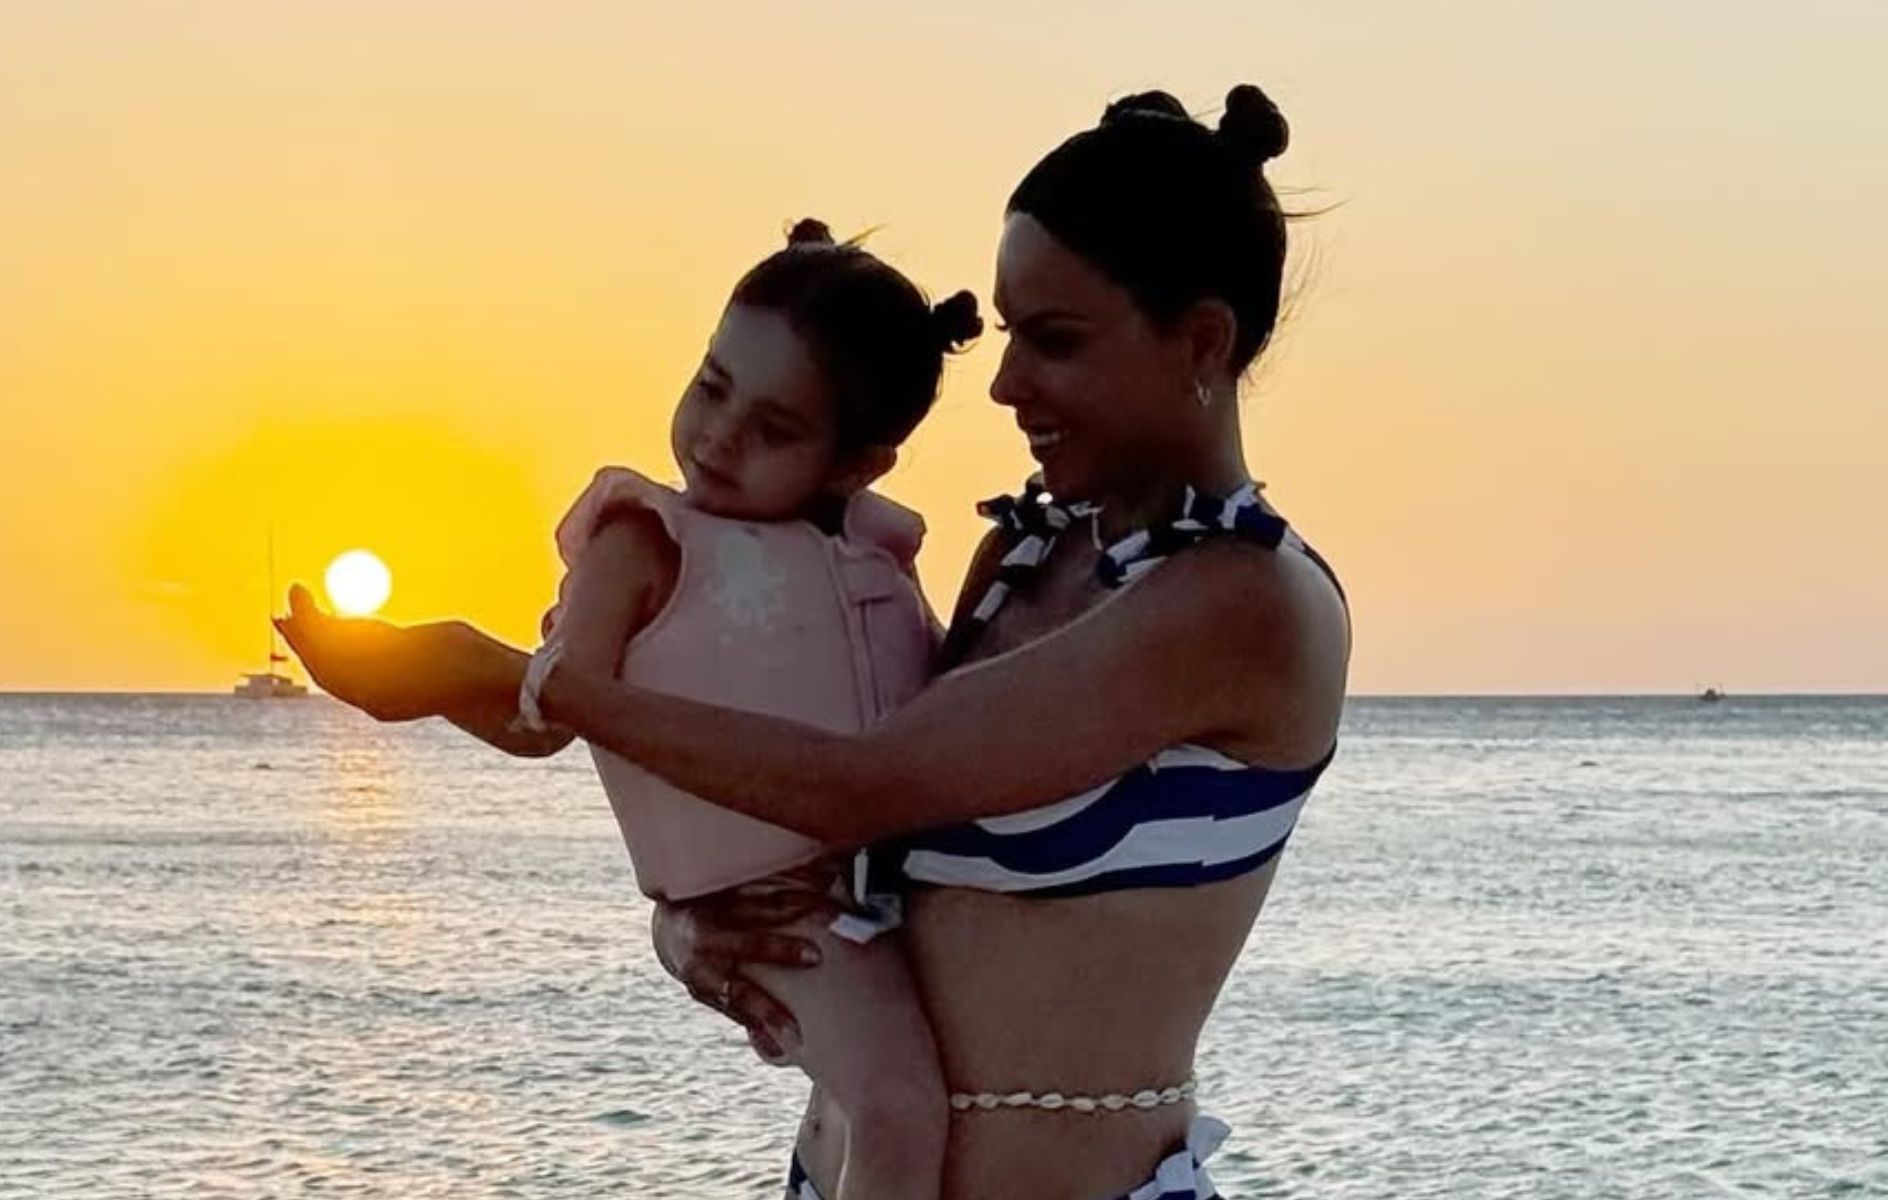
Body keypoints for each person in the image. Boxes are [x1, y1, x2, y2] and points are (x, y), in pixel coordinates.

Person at [282, 84, 1349, 1200]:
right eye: (1007, 334)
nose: (1004, 384)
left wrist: (495, 671)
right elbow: (840, 834)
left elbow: (861, 785)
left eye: (1055, 341)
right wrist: (691, 930)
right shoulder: (1025, 555)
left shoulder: (1246, 606)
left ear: (1203, 339)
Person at [410, 219, 981, 1200]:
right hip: (778, 910)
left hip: (893, 901)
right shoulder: (641, 542)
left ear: (857, 465)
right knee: (896, 1106)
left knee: (890, 1111)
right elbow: (543, 719)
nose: (719, 437)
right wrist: (423, 679)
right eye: (712, 388)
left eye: (774, 428)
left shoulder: (877, 560)